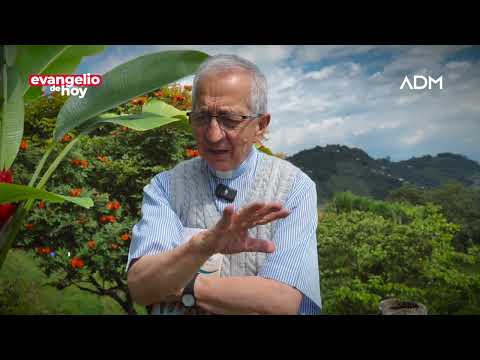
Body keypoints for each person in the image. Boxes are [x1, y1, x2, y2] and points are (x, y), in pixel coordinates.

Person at [126, 54, 321, 315]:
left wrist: (183, 283)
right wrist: (202, 246)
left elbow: (282, 300)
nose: (213, 134)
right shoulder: (166, 186)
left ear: (261, 126)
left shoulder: (293, 188)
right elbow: (141, 287)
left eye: (229, 120)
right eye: (202, 117)